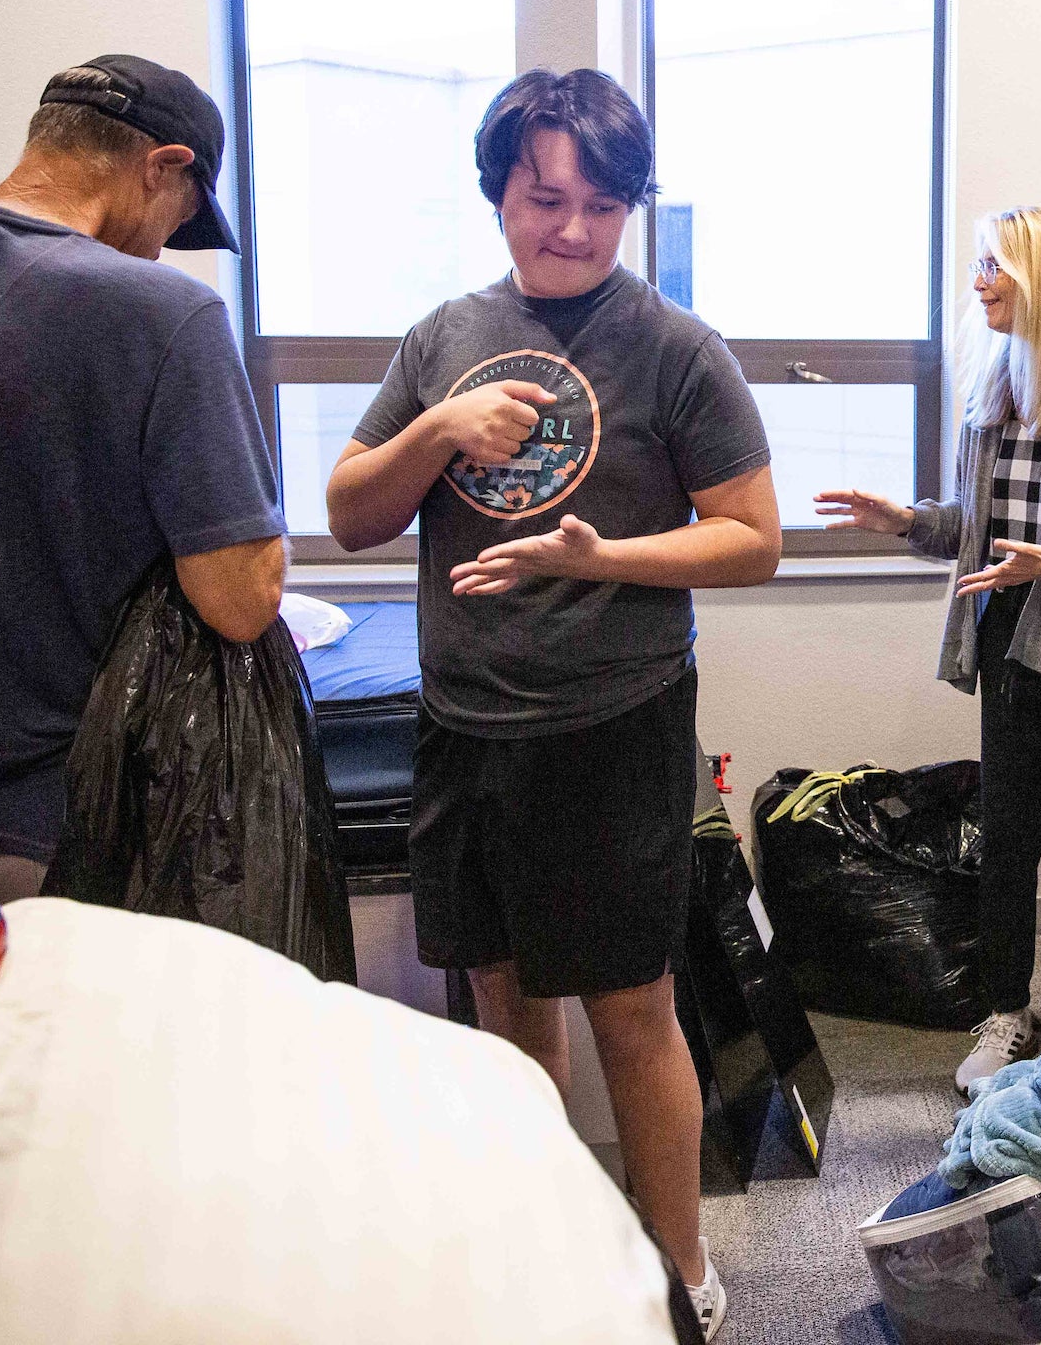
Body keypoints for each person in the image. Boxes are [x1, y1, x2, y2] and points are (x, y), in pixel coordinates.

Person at [325, 67, 775, 1341]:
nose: (571, 228)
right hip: (463, 724)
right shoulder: (444, 339)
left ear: (630, 209)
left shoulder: (678, 349)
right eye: (543, 199)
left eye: (601, 204)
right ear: (500, 195)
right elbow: (353, 512)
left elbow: (753, 539)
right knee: (503, 999)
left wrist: (603, 559)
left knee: (632, 1008)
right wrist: (436, 432)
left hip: (613, 727)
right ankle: (552, 1256)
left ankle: (682, 1270)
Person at [0, 57, 286, 903]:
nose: (164, 246)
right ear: (163, 165)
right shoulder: (166, 311)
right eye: (180, 219)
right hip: (118, 845)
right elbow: (241, 598)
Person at [819, 206, 1041, 1093]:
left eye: (994, 266)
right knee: (1008, 837)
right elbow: (974, 531)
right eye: (978, 265)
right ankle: (1007, 1010)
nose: (978, 281)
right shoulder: (992, 382)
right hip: (1007, 635)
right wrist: (903, 521)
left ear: (1039, 276)